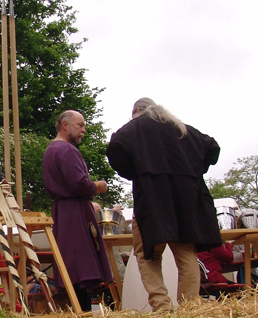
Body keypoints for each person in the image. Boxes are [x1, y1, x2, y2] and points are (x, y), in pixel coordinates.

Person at [106, 97, 222, 312]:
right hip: (186, 203)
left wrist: (135, 171)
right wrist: (192, 170)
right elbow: (212, 147)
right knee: (186, 253)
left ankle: (162, 307)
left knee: (147, 254)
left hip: (152, 200)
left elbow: (115, 148)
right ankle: (189, 309)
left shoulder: (135, 128)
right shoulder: (182, 129)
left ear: (138, 110)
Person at [42, 110, 113, 312]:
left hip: (63, 211)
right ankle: (83, 312)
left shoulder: (51, 150)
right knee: (80, 266)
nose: (83, 130)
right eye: (80, 125)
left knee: (73, 264)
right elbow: (80, 184)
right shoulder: (67, 150)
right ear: (65, 125)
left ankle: (79, 310)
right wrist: (98, 186)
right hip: (74, 213)